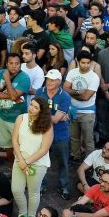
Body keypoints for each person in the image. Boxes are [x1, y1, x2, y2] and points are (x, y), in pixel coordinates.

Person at [11, 97, 53, 217]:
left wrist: (26, 162)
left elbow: (44, 149)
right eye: (31, 105)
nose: (31, 109)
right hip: (20, 160)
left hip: (37, 163)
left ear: (41, 111)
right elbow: (14, 140)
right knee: (16, 190)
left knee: (33, 192)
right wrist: (21, 160)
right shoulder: (21, 118)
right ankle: (22, 215)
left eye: (36, 107)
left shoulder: (47, 125)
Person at [37, 68, 73, 199]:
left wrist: (43, 115)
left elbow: (55, 120)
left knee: (63, 162)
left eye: (52, 80)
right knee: (41, 161)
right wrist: (56, 117)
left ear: (59, 81)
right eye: (48, 79)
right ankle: (41, 185)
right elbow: (35, 113)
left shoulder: (65, 96)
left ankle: (63, 187)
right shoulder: (39, 92)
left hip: (60, 134)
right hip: (42, 132)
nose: (49, 82)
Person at [0, 54, 31, 164]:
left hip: (17, 119)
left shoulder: (25, 78)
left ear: (20, 65)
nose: (14, 66)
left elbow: (14, 96)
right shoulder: (0, 73)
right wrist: (13, 96)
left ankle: (22, 168)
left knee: (20, 147)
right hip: (1, 117)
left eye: (16, 63)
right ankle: (12, 168)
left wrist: (7, 79)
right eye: (11, 63)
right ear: (6, 64)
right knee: (7, 147)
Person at [64, 52, 100, 164]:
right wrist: (79, 92)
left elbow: (86, 97)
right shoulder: (72, 72)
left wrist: (72, 93)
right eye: (83, 63)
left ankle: (90, 162)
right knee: (74, 137)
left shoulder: (94, 77)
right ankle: (75, 156)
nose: (86, 65)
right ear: (78, 62)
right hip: (73, 110)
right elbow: (65, 89)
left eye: (88, 63)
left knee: (88, 139)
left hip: (87, 112)